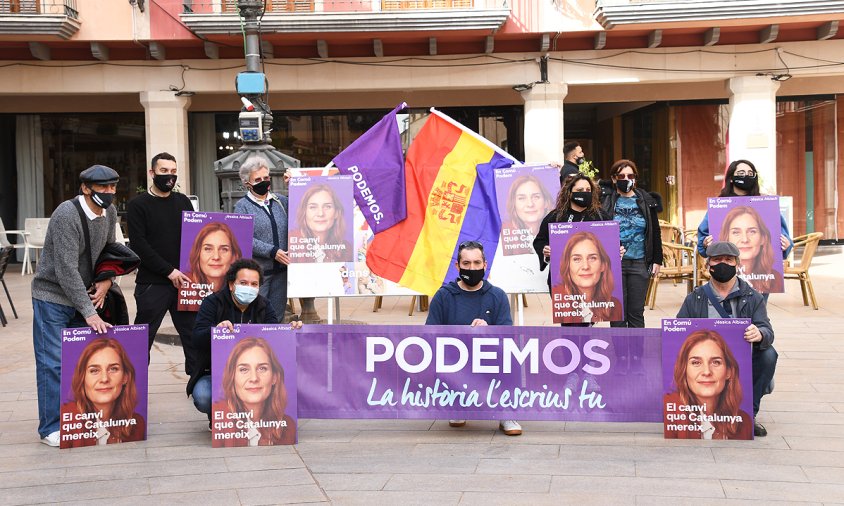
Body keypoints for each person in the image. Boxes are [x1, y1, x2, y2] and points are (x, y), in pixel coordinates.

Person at [31, 165, 119, 447]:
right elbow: (66, 269)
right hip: (53, 297)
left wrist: (106, 281)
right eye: (102, 187)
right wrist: (90, 312)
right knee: (53, 364)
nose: (108, 193)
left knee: (84, 363)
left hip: (85, 295)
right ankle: (50, 428)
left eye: (113, 187)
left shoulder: (110, 212)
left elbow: (110, 252)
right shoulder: (66, 214)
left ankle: (79, 419)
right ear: (85, 188)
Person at [677, 241, 778, 437]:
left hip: (740, 361)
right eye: (717, 259)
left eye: (728, 259)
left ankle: (749, 413)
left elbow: (767, 330)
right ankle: (695, 414)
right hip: (707, 362)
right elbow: (679, 331)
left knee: (769, 354)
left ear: (737, 264)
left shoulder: (752, 297)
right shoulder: (695, 298)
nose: (723, 264)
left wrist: (759, 333)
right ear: (708, 266)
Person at [188, 259, 302, 423]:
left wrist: (290, 330)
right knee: (203, 395)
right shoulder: (213, 303)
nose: (249, 288)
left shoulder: (264, 305)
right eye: (243, 283)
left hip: (256, 374)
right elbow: (196, 338)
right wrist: (215, 330)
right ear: (231, 285)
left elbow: (275, 337)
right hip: (216, 372)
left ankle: (260, 418)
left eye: (254, 284)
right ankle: (219, 418)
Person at [426, 241, 522, 436]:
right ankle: (457, 403)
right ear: (457, 266)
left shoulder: (497, 295)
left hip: (489, 358)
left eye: (477, 263)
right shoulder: (443, 296)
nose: (472, 268)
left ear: (485, 265)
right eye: (467, 263)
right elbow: (429, 335)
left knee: (512, 355)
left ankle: (505, 411)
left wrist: (489, 331)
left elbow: (507, 334)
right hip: (455, 360)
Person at [128, 152, 198, 374]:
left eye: (173, 172)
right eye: (164, 171)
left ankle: (198, 383)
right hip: (152, 283)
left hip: (185, 283)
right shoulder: (138, 205)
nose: (170, 176)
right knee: (143, 337)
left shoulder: (183, 201)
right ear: (152, 173)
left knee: (192, 335)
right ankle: (134, 387)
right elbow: (139, 245)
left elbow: (194, 237)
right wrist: (169, 271)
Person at [600, 159, 662, 373]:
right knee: (617, 313)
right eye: (621, 176)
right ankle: (621, 357)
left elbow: (655, 231)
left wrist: (657, 259)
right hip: (612, 265)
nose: (626, 180)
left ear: (635, 178)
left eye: (630, 176)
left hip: (639, 262)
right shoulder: (607, 201)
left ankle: (636, 358)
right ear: (614, 179)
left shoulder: (645, 200)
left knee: (636, 312)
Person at [697, 159, 793, 285]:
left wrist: (786, 245)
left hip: (761, 280)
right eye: (741, 173)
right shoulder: (719, 205)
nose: (746, 176)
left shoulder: (765, 204)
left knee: (756, 304)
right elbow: (703, 237)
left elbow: (782, 234)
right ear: (731, 178)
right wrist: (705, 244)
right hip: (725, 275)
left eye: (750, 173)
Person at [233, 155, 292, 321]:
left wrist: (293, 186)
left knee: (276, 317)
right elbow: (243, 238)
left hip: (282, 272)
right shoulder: (241, 207)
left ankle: (273, 347)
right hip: (258, 275)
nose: (264, 182)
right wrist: (273, 252)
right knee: (255, 317)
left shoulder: (281, 201)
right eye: (257, 179)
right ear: (247, 183)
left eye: (266, 177)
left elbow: (300, 215)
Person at [663, 330, 753, 440]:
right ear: (684, 370)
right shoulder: (669, 409)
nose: (706, 372)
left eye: (716, 362)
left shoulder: (744, 422)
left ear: (728, 372)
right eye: (696, 363)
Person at [534, 173, 611, 295]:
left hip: (596, 287)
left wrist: (619, 250)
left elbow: (613, 241)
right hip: (562, 283)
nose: (585, 193)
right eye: (580, 190)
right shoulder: (556, 217)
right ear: (569, 192)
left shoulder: (601, 216)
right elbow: (539, 241)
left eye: (588, 190)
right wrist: (545, 250)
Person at [61, 337, 146, 447]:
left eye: (113, 369)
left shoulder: (137, 423)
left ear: (125, 377)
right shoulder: (67, 419)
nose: (104, 379)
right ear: (82, 378)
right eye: (94, 370)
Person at [212, 337, 296, 446]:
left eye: (262, 368)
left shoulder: (288, 426)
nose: (254, 378)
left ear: (274, 377)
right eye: (244, 369)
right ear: (232, 377)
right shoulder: (219, 417)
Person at [554, 231, 623, 324]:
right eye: (577, 259)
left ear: (603, 265)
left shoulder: (615, 305)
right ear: (567, 265)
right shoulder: (559, 299)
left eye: (592, 258)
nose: (585, 266)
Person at [718, 206, 784, 293]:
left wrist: (785, 245)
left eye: (752, 231)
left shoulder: (775, 279)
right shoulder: (719, 277)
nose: (745, 240)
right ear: (727, 238)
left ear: (763, 238)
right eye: (736, 232)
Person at [291, 183, 352, 262]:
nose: (320, 213)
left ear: (336, 213)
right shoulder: (292, 241)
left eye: (327, 207)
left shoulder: (346, 248)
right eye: (313, 207)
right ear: (304, 212)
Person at [186, 221, 243, 293]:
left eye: (224, 249)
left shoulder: (242, 289)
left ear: (233, 256)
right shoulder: (185, 288)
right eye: (208, 249)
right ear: (198, 254)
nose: (216, 257)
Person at [502, 174, 553, 254]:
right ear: (513, 204)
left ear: (546, 202)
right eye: (521, 198)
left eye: (536, 197)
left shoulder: (559, 229)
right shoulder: (502, 235)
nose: (530, 204)